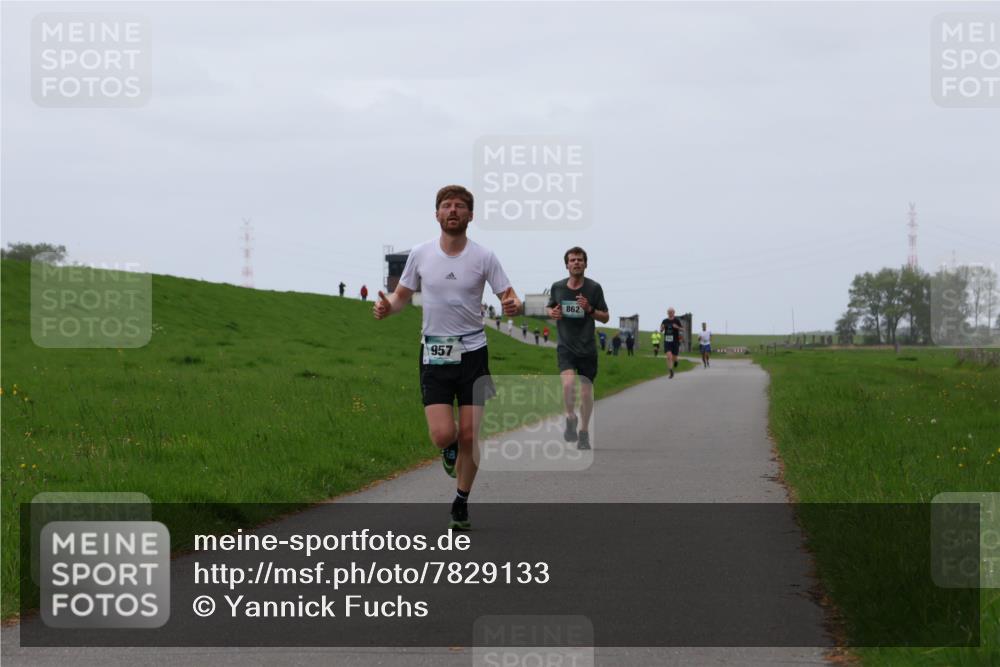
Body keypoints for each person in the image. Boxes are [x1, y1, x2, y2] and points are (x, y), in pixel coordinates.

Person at [373, 184, 521, 530]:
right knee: (443, 435)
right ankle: (450, 447)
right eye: (446, 206)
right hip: (434, 353)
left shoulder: (484, 257)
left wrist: (511, 304)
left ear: (471, 215)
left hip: (473, 353)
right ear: (437, 214)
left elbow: (508, 295)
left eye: (459, 206)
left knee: (471, 436)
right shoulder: (421, 254)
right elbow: (400, 296)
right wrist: (385, 307)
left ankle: (461, 502)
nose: (452, 210)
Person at [546, 246, 609, 450]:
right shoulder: (558, 287)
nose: (576, 263)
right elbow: (550, 306)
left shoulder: (594, 288)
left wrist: (589, 309)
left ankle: (583, 432)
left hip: (587, 348)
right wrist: (552, 313)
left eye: (580, 260)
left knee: (585, 394)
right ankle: (570, 417)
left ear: (585, 264)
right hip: (566, 345)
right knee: (567, 384)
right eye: (572, 260)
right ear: (566, 264)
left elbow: (606, 317)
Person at [660, 307, 684, 378]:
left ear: (674, 313)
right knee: (669, 356)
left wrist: (677, 327)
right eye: (669, 312)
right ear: (667, 313)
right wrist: (662, 328)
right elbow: (661, 330)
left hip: (675, 341)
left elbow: (683, 329)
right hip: (667, 341)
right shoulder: (664, 321)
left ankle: (676, 361)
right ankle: (671, 371)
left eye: (671, 312)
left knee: (674, 357)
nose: (670, 313)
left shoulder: (677, 320)